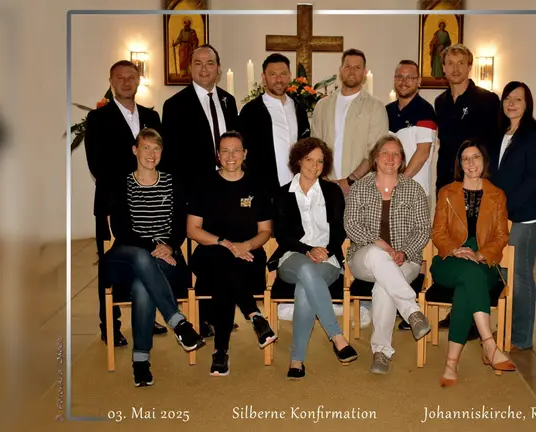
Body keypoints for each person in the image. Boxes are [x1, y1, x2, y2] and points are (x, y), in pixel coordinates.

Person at [103, 128, 204, 387]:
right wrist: (154, 245)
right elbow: (122, 232)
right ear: (135, 150)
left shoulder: (172, 182)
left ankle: (141, 361)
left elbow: (181, 226)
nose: (151, 153)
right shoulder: (122, 183)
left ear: (162, 152)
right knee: (140, 257)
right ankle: (177, 321)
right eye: (145, 147)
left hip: (164, 259)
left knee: (142, 287)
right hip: (125, 257)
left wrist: (169, 246)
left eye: (156, 148)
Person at [185, 131, 278, 375]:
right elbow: (192, 229)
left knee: (225, 275)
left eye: (236, 150)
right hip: (209, 253)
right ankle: (255, 315)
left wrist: (245, 246)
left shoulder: (257, 185)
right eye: (225, 150)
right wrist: (225, 243)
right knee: (223, 264)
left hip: (248, 255)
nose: (230, 156)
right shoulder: (203, 184)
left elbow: (265, 231)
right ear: (218, 155)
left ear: (245, 154)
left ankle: (221, 351)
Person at [85, 59, 163, 345]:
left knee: (149, 258)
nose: (126, 82)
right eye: (120, 78)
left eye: (131, 77)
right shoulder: (98, 119)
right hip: (111, 204)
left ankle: (145, 315)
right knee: (110, 263)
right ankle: (110, 327)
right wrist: (131, 185)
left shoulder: (151, 117)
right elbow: (97, 165)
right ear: (111, 82)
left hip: (149, 202)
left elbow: (158, 159)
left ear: (139, 81)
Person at [343, 134, 434, 374]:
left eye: (396, 154)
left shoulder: (414, 190)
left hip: (406, 260)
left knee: (384, 286)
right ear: (375, 158)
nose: (390, 158)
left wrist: (405, 251)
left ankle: (381, 353)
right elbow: (351, 224)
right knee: (376, 254)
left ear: (402, 160)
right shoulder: (360, 187)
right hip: (364, 259)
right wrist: (382, 245)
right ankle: (412, 311)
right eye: (385, 152)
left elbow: (423, 228)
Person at [429, 140, 516, 385]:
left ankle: (451, 364)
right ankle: (489, 343)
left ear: (484, 160)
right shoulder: (447, 193)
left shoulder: (497, 195)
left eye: (475, 157)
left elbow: (501, 235)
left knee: (468, 284)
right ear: (459, 164)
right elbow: (437, 233)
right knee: (469, 276)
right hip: (449, 260)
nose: (471, 163)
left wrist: (481, 254)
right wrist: (455, 250)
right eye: (465, 158)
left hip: (485, 263)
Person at [273, 136, 358, 377]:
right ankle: (336, 336)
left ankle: (296, 360)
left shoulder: (332, 191)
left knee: (304, 287)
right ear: (298, 160)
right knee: (305, 271)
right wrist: (307, 250)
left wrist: (327, 251)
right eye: (309, 160)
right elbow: (281, 235)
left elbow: (340, 229)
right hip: (293, 256)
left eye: (320, 161)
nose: (314, 166)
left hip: (327, 260)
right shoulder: (282, 194)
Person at [491, 81, 536, 351]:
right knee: (504, 272)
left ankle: (521, 338)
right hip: (503, 214)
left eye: (518, 99)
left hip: (525, 216)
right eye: (508, 98)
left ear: (528, 104)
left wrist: (507, 211)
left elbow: (533, 178)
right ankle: (507, 326)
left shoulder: (535, 134)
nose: (511, 103)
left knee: (521, 275)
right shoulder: (501, 132)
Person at [160, 45, 239, 190]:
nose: (204, 69)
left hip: (230, 183)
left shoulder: (229, 101)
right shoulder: (174, 105)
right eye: (198, 63)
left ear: (218, 68)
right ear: (190, 68)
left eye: (210, 63)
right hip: (193, 187)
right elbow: (171, 156)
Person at [312, 49, 388, 190]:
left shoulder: (375, 107)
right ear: (341, 69)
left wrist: (350, 181)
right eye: (348, 67)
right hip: (326, 186)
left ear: (364, 72)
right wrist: (323, 179)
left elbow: (375, 151)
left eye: (357, 68)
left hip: (361, 187)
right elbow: (315, 146)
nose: (352, 72)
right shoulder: (322, 106)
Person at [238, 53, 310, 200]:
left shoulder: (299, 109)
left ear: (290, 76)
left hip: (297, 190)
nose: (278, 79)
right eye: (272, 74)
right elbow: (242, 153)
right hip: (263, 192)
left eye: (283, 74)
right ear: (264, 77)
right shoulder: (250, 111)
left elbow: (306, 147)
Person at [433, 44, 503, 190]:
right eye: (450, 64)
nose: (456, 69)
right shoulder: (440, 102)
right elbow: (444, 145)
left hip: (478, 181)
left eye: (461, 63)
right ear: (444, 68)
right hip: (447, 182)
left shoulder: (488, 100)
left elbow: (496, 145)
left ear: (469, 67)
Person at [387, 60, 438, 203]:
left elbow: (422, 153)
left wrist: (399, 182)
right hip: (387, 190)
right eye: (399, 77)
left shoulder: (425, 110)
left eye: (409, 77)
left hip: (416, 191)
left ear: (418, 81)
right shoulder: (387, 110)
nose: (404, 82)